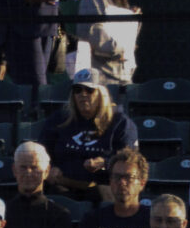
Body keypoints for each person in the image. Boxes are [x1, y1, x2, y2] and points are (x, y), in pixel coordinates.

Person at [35, 68, 137, 202]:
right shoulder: (60, 119)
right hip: (64, 184)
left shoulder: (120, 123)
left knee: (101, 194)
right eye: (78, 90)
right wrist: (50, 167)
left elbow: (129, 160)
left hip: (103, 186)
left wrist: (106, 162)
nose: (83, 94)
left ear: (102, 93)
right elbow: (41, 151)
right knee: (55, 197)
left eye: (89, 90)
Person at [1, 141, 79, 228]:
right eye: (23, 167)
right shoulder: (1, 213)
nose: (28, 173)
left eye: (34, 167)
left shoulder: (59, 215)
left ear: (47, 171)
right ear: (14, 170)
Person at [69, 147, 151, 228]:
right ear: (110, 181)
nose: (122, 182)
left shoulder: (153, 219)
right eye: (117, 177)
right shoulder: (93, 218)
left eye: (128, 177)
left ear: (142, 183)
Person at [78, 0, 140, 86]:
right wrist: (121, 50)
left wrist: (132, 17)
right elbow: (94, 33)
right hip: (99, 74)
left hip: (119, 70)